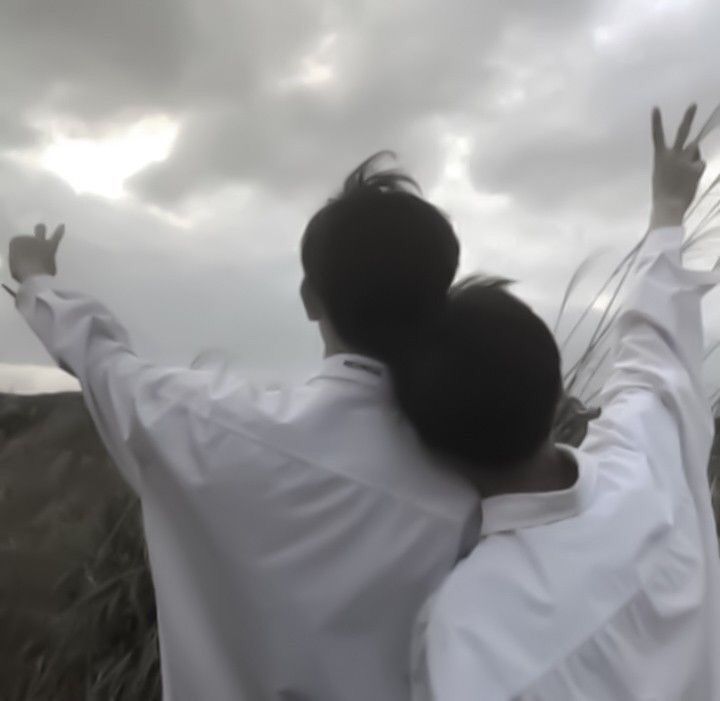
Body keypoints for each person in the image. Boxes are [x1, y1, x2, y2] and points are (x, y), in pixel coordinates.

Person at [6, 154, 481, 700]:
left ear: (309, 299)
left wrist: (35, 278)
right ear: (439, 304)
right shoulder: (473, 489)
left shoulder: (201, 424)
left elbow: (99, 359)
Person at [396, 104, 720, 700]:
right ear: (558, 395)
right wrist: (667, 208)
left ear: (430, 450)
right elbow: (652, 348)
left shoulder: (462, 631)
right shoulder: (642, 464)